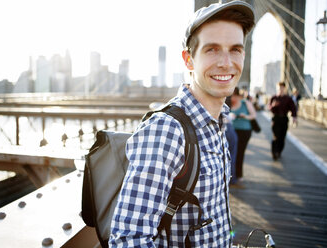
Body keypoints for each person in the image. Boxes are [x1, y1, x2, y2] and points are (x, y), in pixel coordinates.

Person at [109, 1, 255, 247]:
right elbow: (128, 240)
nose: (226, 62)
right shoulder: (167, 131)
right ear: (189, 60)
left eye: (235, 49)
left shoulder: (218, 122)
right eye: (212, 49)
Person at [230, 87, 257, 183]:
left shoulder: (245, 102)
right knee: (231, 153)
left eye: (233, 95)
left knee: (240, 152)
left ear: (237, 95)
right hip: (232, 130)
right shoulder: (228, 102)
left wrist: (244, 116)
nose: (231, 98)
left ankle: (239, 175)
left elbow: (254, 115)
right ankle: (231, 175)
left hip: (245, 131)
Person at [269, 82, 297, 160]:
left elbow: (293, 108)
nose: (280, 90)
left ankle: (279, 151)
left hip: (284, 119)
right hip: (276, 119)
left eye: (282, 88)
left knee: (282, 137)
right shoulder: (274, 98)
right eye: (279, 88)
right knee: (275, 136)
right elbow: (269, 108)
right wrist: (273, 106)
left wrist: (294, 117)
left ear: (284, 88)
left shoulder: (288, 99)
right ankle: (274, 152)